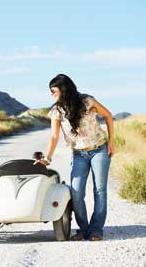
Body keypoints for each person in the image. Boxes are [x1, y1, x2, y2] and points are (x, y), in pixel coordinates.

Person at [34, 74, 114, 241]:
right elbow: (54, 136)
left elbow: (108, 115)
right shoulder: (56, 111)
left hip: (99, 149)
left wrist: (111, 141)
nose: (51, 94)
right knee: (76, 192)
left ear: (63, 89)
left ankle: (96, 230)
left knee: (99, 191)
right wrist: (47, 158)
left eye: (53, 90)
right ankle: (84, 230)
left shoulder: (87, 101)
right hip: (79, 154)